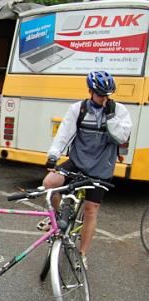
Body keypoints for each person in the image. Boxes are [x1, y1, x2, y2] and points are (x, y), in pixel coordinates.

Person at [41, 71, 132, 266]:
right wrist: (53, 155)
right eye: (100, 95)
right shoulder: (78, 109)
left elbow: (121, 138)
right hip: (77, 161)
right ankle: (57, 218)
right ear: (90, 91)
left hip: (101, 167)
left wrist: (110, 116)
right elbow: (64, 134)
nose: (104, 99)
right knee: (49, 183)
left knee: (91, 209)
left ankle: (81, 255)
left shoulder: (120, 111)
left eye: (107, 95)